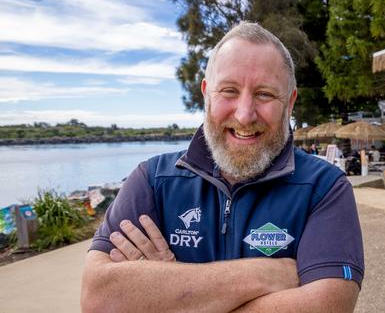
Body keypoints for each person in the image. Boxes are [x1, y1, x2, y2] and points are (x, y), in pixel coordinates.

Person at [81, 22, 364, 312]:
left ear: (290, 102)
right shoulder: (153, 181)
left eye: (265, 94)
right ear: (207, 94)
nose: (244, 115)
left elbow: (327, 307)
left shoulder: (324, 188)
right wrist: (264, 274)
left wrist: (168, 293)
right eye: (229, 90)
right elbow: (98, 299)